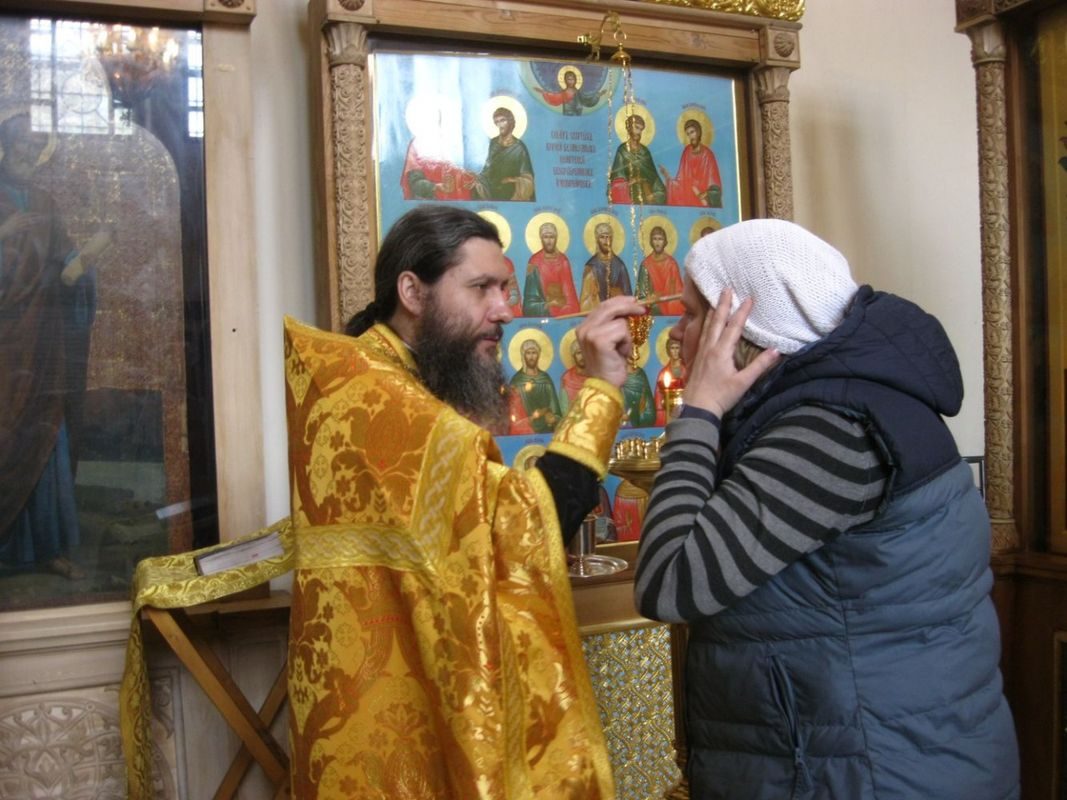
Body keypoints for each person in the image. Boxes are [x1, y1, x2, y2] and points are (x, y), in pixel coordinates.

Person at [633, 219, 1019, 799]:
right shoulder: (840, 401)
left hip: (873, 773)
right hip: (855, 758)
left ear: (737, 330)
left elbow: (669, 584)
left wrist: (701, 410)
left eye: (690, 315)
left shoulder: (833, 429)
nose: (677, 333)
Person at [286, 205, 645, 798]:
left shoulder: (381, 376)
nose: (504, 310)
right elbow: (525, 525)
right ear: (412, 291)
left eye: (504, 288)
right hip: (388, 728)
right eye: (481, 288)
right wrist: (602, 389)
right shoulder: (380, 399)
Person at [0, 112, 112, 580]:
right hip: (6, 346)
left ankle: (48, 546)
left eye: (35, 148)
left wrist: (81, 261)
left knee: (47, 432)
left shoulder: (46, 203)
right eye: (21, 147)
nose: (27, 156)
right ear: (4, 148)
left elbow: (64, 256)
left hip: (43, 341)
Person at [473, 106, 535, 202]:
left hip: (509, 189)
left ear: (510, 122)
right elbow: (486, 170)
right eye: (497, 122)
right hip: (490, 186)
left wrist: (512, 180)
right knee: (473, 186)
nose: (500, 125)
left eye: (503, 120)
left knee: (507, 189)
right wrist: (476, 177)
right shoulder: (493, 143)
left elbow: (527, 178)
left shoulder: (519, 148)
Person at [659, 118, 723, 208]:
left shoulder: (708, 155)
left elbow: (715, 184)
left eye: (692, 132)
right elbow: (681, 180)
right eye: (688, 134)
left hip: (702, 197)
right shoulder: (686, 152)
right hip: (688, 195)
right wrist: (668, 177)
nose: (691, 136)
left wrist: (705, 194)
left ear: (698, 132)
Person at [522, 221, 579, 317]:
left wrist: (566, 307)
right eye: (545, 237)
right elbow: (529, 304)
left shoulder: (563, 261)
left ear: (556, 239)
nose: (549, 241)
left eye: (551, 237)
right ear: (541, 239)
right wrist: (549, 305)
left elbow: (570, 297)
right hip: (544, 310)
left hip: (562, 311)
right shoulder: (534, 262)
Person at [609, 113, 665, 205]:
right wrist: (633, 181)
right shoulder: (622, 150)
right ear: (629, 128)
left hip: (646, 196)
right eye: (636, 128)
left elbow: (654, 178)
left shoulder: (645, 151)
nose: (639, 132)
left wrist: (657, 193)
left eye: (641, 129)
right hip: (629, 196)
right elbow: (616, 181)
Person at [508, 337, 562, 434]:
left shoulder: (546, 379)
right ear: (523, 355)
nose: (531, 357)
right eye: (528, 353)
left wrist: (553, 418)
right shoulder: (516, 381)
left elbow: (556, 412)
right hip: (525, 432)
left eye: (534, 353)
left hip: (547, 431)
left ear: (538, 355)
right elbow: (513, 415)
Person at [580, 221, 632, 310]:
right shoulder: (591, 266)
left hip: (616, 313)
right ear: (597, 239)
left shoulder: (620, 266)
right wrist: (593, 295)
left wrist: (619, 295)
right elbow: (583, 304)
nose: (605, 241)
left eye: (608, 237)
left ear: (612, 239)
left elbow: (629, 299)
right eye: (602, 237)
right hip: (598, 314)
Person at [635, 225, 684, 315]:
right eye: (655, 239)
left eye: (660, 239)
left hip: (668, 304)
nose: (657, 243)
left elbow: (678, 292)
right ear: (651, 242)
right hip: (651, 306)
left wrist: (662, 296)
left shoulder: (671, 264)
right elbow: (640, 295)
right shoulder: (646, 264)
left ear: (665, 242)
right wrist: (649, 297)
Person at [535, 68, 604, 116]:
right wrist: (543, 92)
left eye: (572, 79)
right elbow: (555, 98)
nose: (571, 81)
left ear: (575, 80)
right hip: (567, 115)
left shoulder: (578, 92)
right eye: (569, 79)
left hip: (578, 115)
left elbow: (586, 100)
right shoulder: (564, 92)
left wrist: (598, 95)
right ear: (565, 80)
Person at [653, 337, 686, 426]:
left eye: (677, 348)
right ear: (668, 351)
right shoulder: (663, 373)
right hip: (668, 412)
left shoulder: (687, 370)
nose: (675, 351)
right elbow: (658, 398)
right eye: (672, 348)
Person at [620, 361, 655, 429]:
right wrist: (619, 415)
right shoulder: (614, 375)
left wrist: (643, 414)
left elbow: (647, 399)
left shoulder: (640, 374)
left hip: (637, 419)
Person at [559, 337, 589, 413]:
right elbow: (564, 409)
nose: (582, 356)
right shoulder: (567, 378)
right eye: (579, 353)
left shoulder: (596, 376)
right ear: (573, 356)